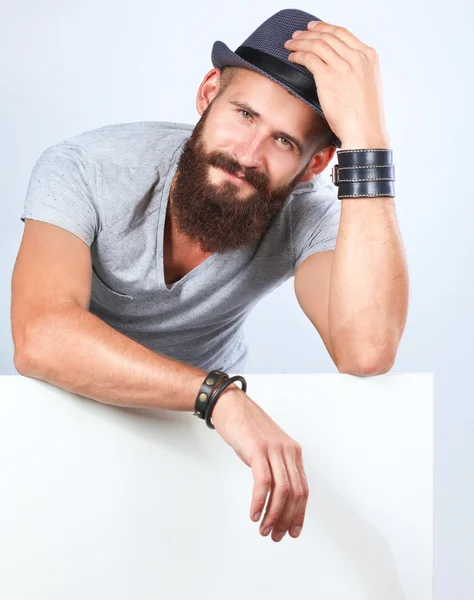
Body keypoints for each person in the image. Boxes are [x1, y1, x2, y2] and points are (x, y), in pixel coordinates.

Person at [10, 9, 408, 544]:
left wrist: (369, 140)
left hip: (201, 450)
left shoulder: (303, 213)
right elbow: (39, 335)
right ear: (207, 92)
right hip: (62, 421)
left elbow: (365, 349)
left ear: (315, 166)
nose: (248, 155)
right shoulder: (87, 167)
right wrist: (218, 396)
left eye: (285, 142)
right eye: (243, 113)